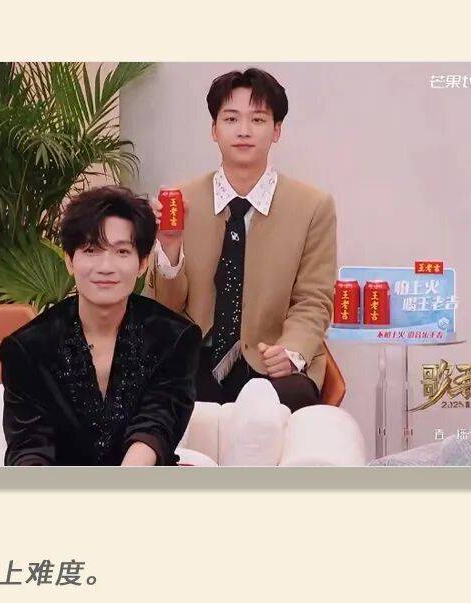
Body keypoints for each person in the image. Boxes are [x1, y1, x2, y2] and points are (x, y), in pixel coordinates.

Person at [144, 67, 337, 412]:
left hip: (272, 364)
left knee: (273, 404)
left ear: (276, 130)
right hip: (196, 360)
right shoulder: (180, 201)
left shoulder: (312, 206)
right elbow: (164, 309)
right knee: (160, 399)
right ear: (214, 129)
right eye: (231, 119)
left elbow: (314, 300)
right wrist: (169, 246)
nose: (244, 131)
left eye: (258, 120)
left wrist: (292, 351)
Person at [0, 185, 202, 466]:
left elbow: (157, 424)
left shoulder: (175, 338)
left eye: (122, 251)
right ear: (70, 261)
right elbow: (29, 446)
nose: (106, 267)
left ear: (143, 263)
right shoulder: (27, 348)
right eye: (91, 250)